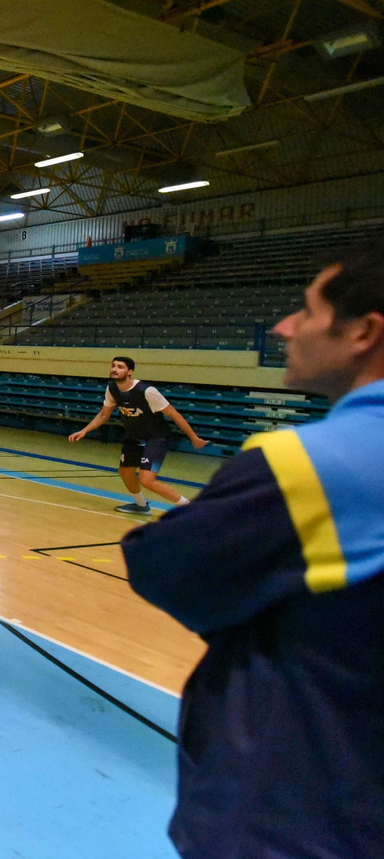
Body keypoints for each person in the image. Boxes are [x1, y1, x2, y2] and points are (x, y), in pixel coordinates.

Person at [122, 247, 384, 859]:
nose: (283, 326)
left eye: (306, 311)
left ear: (365, 333)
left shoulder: (305, 465)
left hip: (297, 811)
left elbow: (163, 567)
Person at [67, 356, 210, 515]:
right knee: (125, 471)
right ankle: (141, 506)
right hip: (133, 437)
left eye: (120, 367)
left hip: (157, 438)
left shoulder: (147, 391)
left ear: (130, 371)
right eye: (113, 366)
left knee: (147, 479)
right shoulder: (112, 389)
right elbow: (103, 415)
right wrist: (85, 430)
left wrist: (194, 438)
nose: (114, 369)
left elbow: (175, 415)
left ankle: (191, 508)